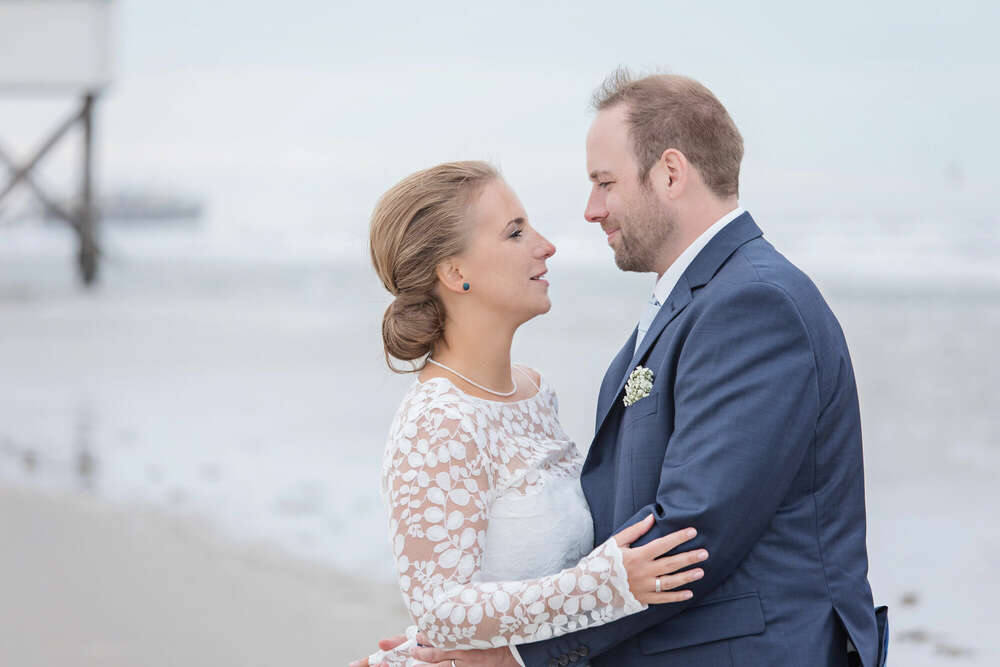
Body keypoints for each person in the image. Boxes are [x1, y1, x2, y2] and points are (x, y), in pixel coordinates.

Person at [363, 70, 888, 667]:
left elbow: (690, 535)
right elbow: (602, 544)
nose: (587, 214)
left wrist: (518, 657)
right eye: (515, 231)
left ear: (669, 173)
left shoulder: (752, 305)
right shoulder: (688, 308)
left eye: (605, 183)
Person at [360, 160, 710, 667]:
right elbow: (438, 611)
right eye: (515, 232)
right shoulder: (437, 421)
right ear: (456, 273)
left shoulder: (535, 392)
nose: (546, 245)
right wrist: (605, 586)